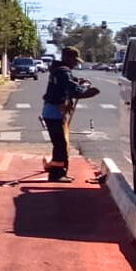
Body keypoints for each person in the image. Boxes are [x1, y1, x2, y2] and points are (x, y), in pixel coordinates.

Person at [41, 46, 100, 183]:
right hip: (54, 112)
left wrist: (80, 81)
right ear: (67, 58)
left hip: (52, 112)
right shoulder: (63, 72)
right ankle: (56, 174)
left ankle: (59, 171)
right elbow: (74, 90)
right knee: (60, 144)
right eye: (74, 60)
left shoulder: (59, 70)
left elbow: (72, 81)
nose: (75, 63)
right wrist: (87, 90)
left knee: (60, 143)